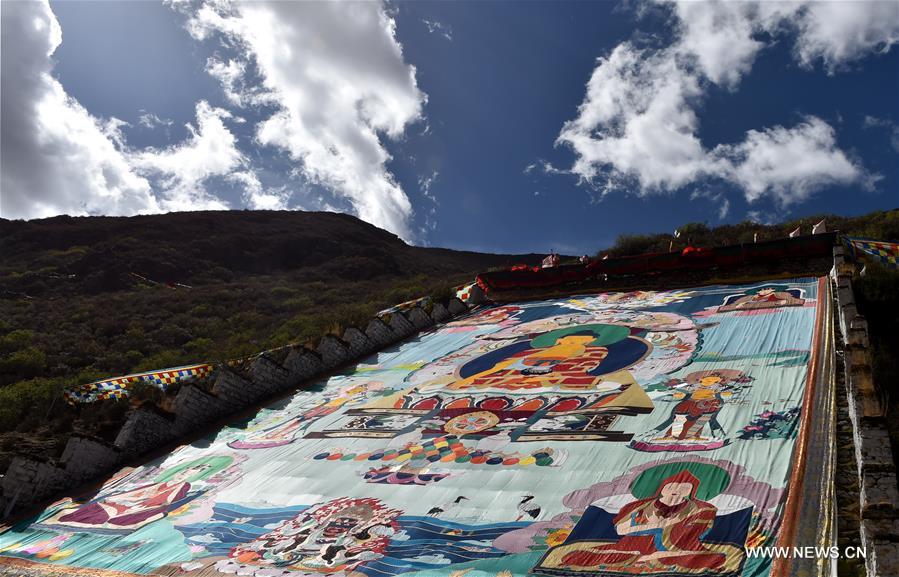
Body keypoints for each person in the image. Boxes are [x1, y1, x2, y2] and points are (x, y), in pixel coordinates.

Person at [560, 470, 726, 570]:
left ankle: (652, 556)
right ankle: (644, 556)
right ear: (662, 489)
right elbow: (621, 530)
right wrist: (656, 526)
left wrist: (672, 526)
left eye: (684, 487)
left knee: (715, 558)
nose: (676, 490)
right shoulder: (639, 507)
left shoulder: (702, 509)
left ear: (691, 491)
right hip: (631, 546)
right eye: (671, 486)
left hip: (676, 547)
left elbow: (697, 533)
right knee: (578, 556)